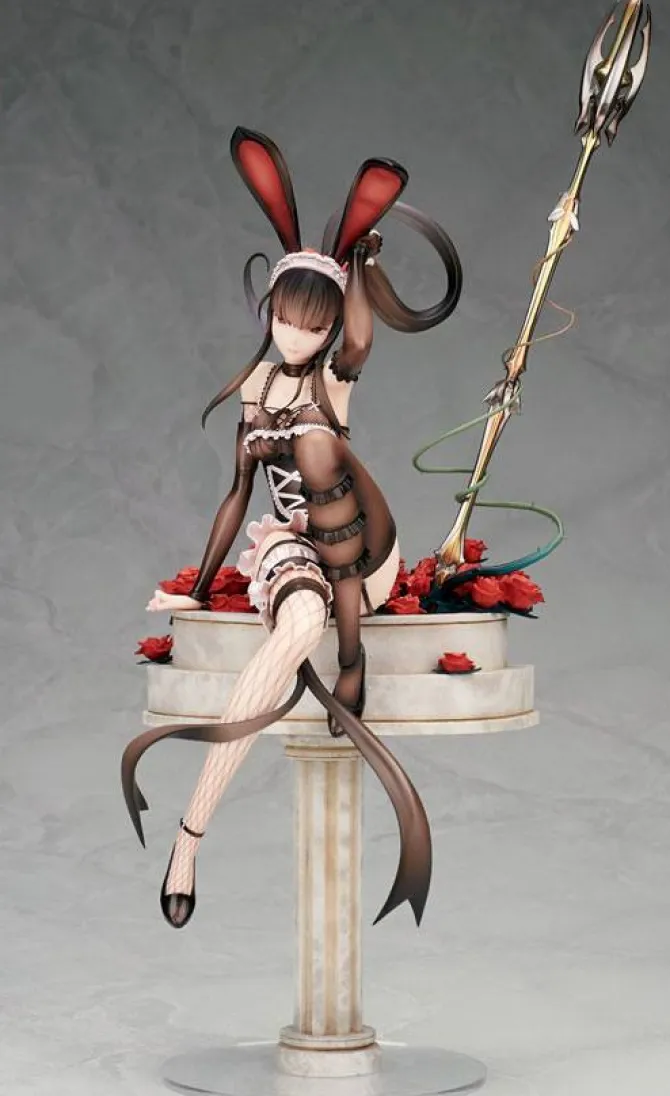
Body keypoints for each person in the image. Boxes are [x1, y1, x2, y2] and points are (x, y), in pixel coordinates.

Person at [121, 126, 462, 932]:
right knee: (297, 621)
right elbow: (237, 494)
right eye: (289, 319)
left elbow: (363, 340)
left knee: (314, 444)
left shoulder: (331, 384)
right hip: (298, 550)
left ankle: (353, 657)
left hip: (363, 545)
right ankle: (190, 835)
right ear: (271, 310)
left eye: (315, 325)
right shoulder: (257, 389)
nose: (299, 336)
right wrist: (201, 585)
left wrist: (361, 267)